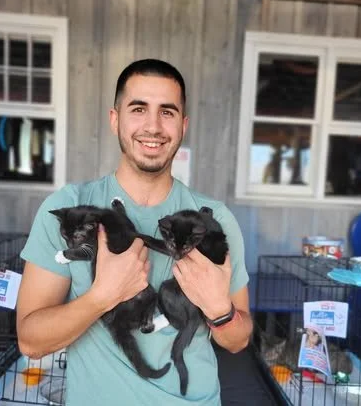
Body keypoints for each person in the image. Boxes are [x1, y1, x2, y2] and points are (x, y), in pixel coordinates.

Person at [16, 59, 252, 406]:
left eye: (167, 112)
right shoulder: (70, 207)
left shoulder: (214, 219)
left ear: (183, 125)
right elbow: (31, 342)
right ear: (115, 120)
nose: (153, 126)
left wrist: (220, 310)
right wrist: (103, 295)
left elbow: (239, 340)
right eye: (138, 109)